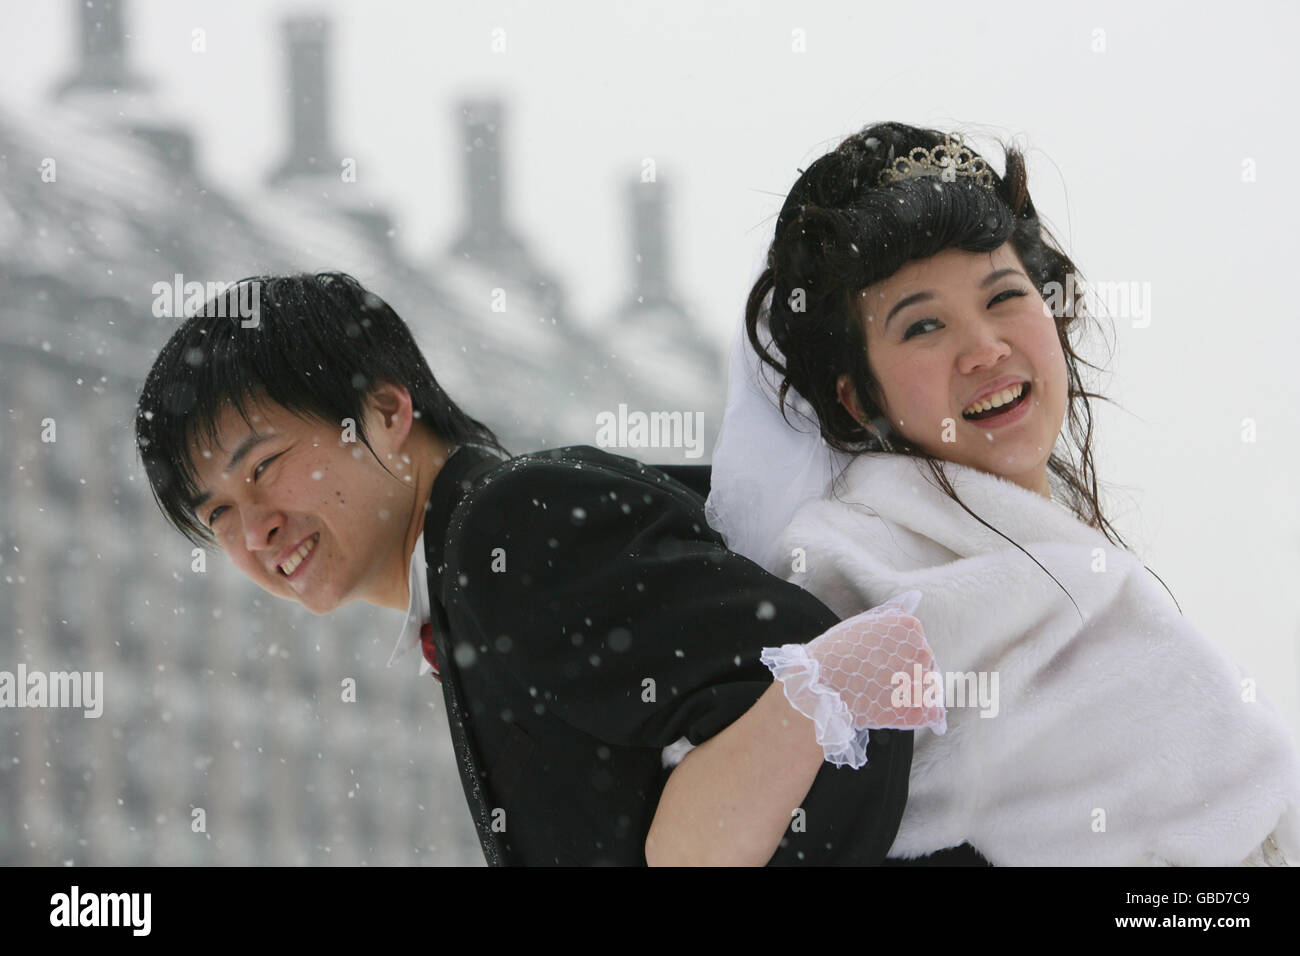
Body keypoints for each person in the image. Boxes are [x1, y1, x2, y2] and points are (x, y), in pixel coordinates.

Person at [133, 272, 944, 866]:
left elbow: (844, 695)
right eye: (218, 516)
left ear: (384, 414)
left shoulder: (511, 529)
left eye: (264, 465)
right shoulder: (465, 584)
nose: (255, 528)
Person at [702, 122, 1300, 866]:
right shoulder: (853, 571)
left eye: (1004, 295)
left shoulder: (1080, 575)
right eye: (923, 324)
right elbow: (701, 836)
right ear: (859, 401)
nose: (985, 348)